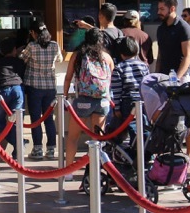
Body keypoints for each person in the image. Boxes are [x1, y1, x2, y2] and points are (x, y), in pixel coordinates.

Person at [61, 28, 113, 181]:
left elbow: (68, 77)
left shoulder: (78, 55)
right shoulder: (107, 57)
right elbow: (110, 77)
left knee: (73, 137)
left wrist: (65, 96)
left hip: (83, 101)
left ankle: (69, 172)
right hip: (102, 101)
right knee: (97, 139)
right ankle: (95, 170)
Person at [20, 23, 60, 160]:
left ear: (34, 33)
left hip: (34, 86)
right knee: (49, 118)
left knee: (35, 118)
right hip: (50, 87)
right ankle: (51, 149)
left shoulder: (32, 46)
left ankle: (37, 148)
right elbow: (59, 59)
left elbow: (22, 59)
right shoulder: (55, 45)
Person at [0, 39, 26, 158]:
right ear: (14, 50)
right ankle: (19, 146)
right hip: (17, 89)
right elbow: (23, 76)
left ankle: (18, 144)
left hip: (2, 92)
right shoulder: (19, 62)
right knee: (16, 121)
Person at [109, 37, 148, 122]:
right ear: (137, 50)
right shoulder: (143, 66)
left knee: (129, 126)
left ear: (121, 53)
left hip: (127, 101)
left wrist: (117, 108)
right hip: (142, 100)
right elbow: (147, 84)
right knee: (144, 125)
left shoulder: (119, 68)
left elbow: (117, 90)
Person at [156, 0, 190, 80]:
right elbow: (160, 55)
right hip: (164, 76)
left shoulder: (184, 28)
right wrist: (156, 75)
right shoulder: (161, 29)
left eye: (162, 9)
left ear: (172, 9)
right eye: (158, 9)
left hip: (182, 77)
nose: (159, 12)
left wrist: (176, 78)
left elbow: (188, 56)